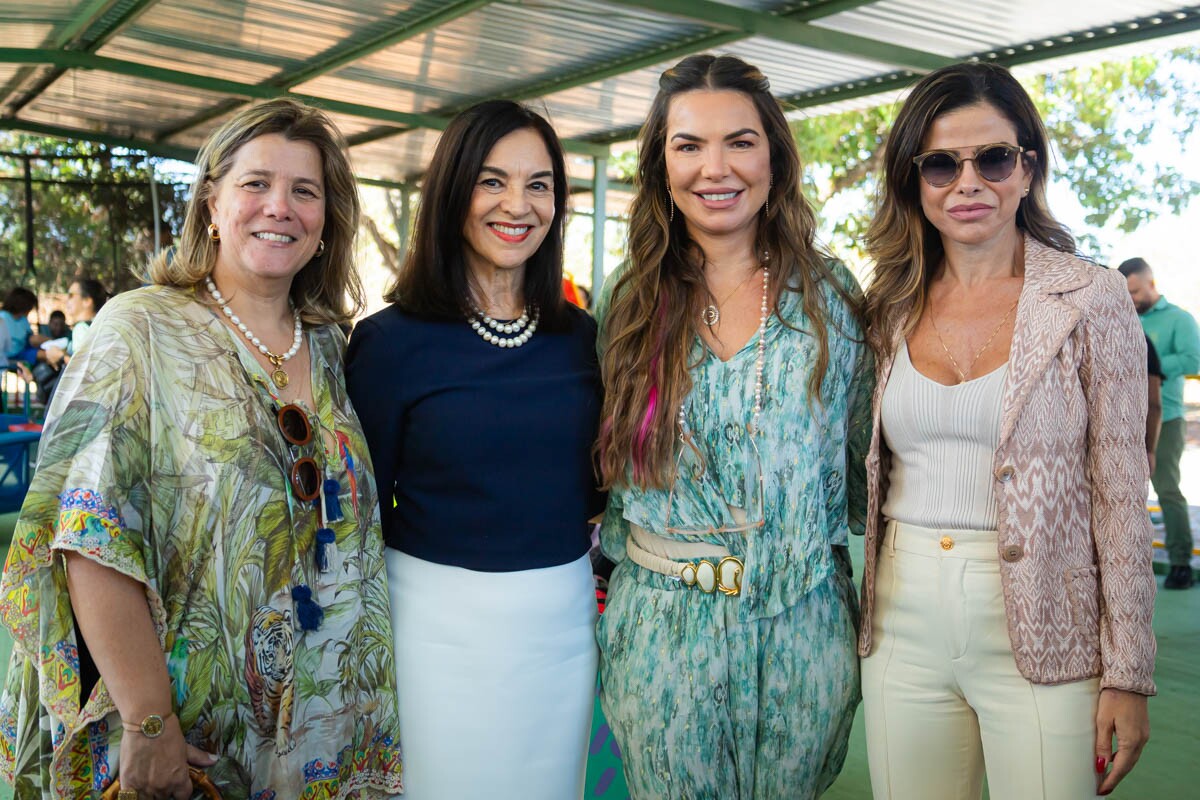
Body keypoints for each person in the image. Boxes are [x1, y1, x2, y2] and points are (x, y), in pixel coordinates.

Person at [0, 98, 404, 799]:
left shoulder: (335, 347)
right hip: (198, 744)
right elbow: (87, 531)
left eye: (304, 191)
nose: (280, 207)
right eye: (256, 184)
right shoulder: (142, 331)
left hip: (334, 729)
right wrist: (147, 720)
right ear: (211, 201)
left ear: (324, 221)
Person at [861, 62, 1156, 800]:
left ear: (1027, 166)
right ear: (913, 180)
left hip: (1050, 623)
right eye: (939, 164)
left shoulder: (1090, 297)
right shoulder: (885, 304)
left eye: (992, 158)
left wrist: (1129, 672)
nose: (968, 183)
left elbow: (1122, 493)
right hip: (901, 618)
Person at [594, 54, 870, 799]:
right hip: (659, 633)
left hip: (803, 630)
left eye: (740, 142)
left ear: (774, 159)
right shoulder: (623, 302)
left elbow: (863, 470)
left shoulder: (831, 296)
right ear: (661, 166)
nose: (715, 168)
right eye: (688, 145)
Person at [345, 99, 603, 800]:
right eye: (492, 181)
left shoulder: (582, 338)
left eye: (538, 184)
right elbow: (360, 515)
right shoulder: (390, 342)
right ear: (453, 192)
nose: (517, 204)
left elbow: (594, 491)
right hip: (433, 628)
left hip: (560, 625)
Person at [1118, 256, 1200, 590]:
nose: (1132, 298)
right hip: (1125, 418)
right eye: (1127, 293)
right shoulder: (1123, 319)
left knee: (1167, 488)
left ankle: (1180, 561)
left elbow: (1193, 358)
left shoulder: (1179, 318)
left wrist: (1144, 361)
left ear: (1150, 283)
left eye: (1135, 291)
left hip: (1166, 416)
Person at [35, 278, 107, 405]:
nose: (67, 300)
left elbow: (84, 368)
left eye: (71, 295)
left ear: (87, 301)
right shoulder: (100, 325)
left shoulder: (81, 328)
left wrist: (60, 356)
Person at [0, 287, 48, 364]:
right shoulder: (3, 317)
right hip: (11, 355)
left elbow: (30, 337)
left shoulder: (23, 320)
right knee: (43, 355)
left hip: (22, 350)